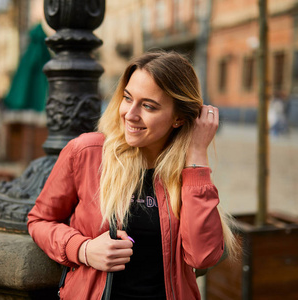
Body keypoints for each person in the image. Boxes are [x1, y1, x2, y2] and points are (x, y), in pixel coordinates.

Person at [27, 51, 239, 300]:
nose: (130, 113)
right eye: (128, 98)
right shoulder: (86, 153)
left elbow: (203, 256)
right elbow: (39, 221)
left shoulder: (189, 174)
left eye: (148, 105)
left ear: (179, 118)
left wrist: (198, 156)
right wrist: (83, 249)